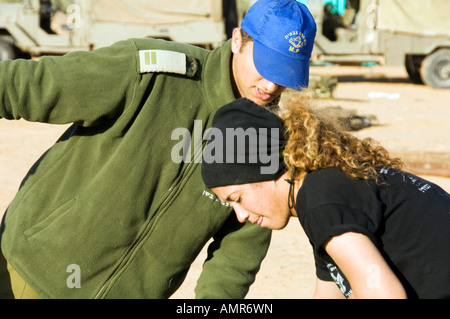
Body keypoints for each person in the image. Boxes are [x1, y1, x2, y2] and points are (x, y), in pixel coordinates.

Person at [0, 0, 317, 298]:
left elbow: (237, 257)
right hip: (28, 274)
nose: (271, 86)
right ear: (237, 40)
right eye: (265, 65)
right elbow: (22, 87)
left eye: (284, 74)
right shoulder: (150, 73)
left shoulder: (269, 141)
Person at [201, 97, 450, 299]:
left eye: (238, 198)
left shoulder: (320, 198)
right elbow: (329, 292)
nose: (241, 215)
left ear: (266, 170)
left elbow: (383, 295)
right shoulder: (323, 189)